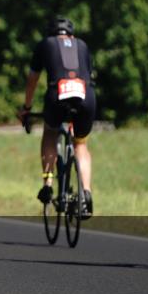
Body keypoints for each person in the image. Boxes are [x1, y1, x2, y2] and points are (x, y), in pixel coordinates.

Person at [17, 17, 96, 219]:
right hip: (86, 97)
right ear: (72, 34)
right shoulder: (83, 45)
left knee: (50, 132)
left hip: (56, 97)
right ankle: (86, 195)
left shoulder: (46, 44)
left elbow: (32, 80)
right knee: (81, 145)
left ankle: (48, 183)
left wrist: (26, 107)